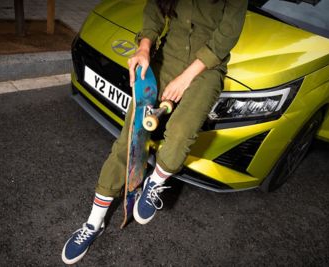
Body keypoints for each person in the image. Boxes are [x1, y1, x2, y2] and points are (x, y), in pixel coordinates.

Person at [62, 0, 247, 264]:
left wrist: (185, 80)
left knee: (180, 134)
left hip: (207, 70)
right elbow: (156, 12)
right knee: (129, 139)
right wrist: (144, 48)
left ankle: (155, 183)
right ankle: (93, 223)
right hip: (166, 57)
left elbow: (226, 36)